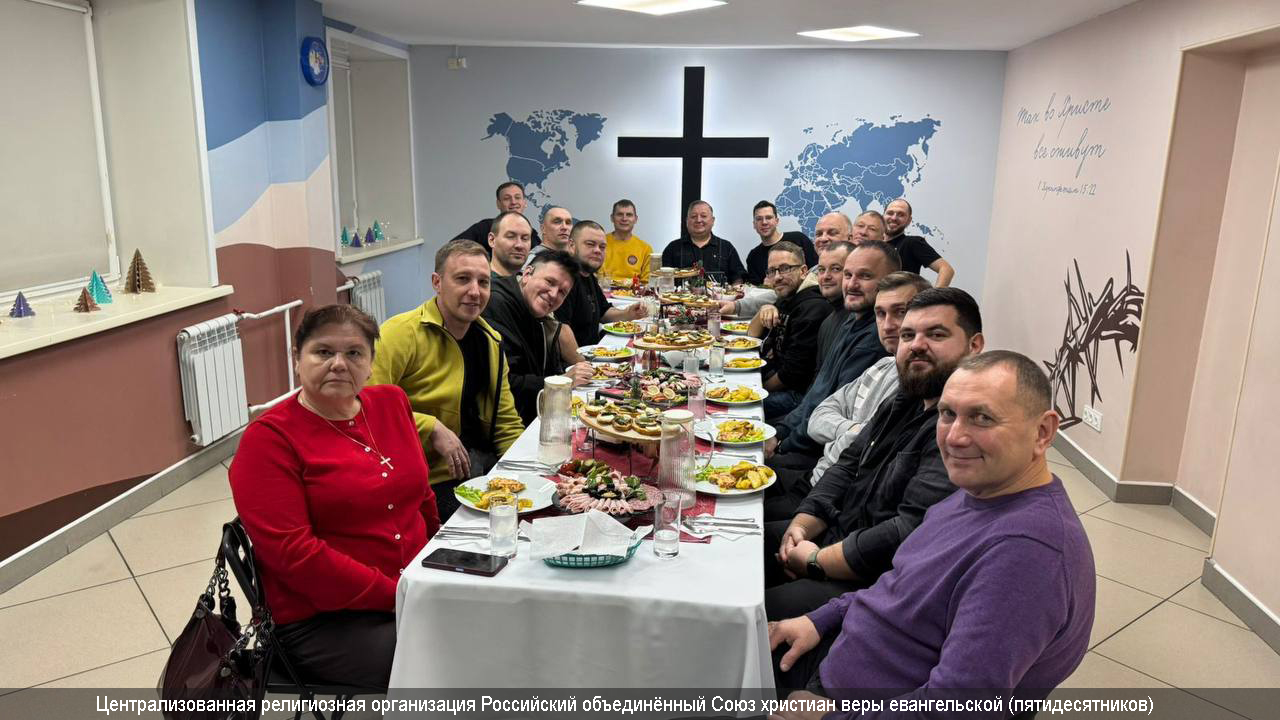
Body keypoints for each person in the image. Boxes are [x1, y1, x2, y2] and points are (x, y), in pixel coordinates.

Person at [769, 351, 1095, 711]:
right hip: (840, 651)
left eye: (982, 418)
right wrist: (819, 619)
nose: (954, 437)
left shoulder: (1027, 552)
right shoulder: (973, 494)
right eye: (947, 414)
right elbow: (898, 585)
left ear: (1043, 432)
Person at [229, 304, 439, 690]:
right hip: (323, 619)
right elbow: (295, 556)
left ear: (371, 363)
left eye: (354, 353)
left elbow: (421, 496)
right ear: (297, 359)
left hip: (414, 586)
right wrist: (398, 594)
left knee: (494, 623)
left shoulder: (391, 402)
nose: (339, 364)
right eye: (323, 352)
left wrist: (442, 560)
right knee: (454, 656)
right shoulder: (269, 440)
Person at [764, 287, 985, 621]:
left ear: (974, 346)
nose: (916, 344)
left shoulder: (960, 428)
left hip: (876, 582)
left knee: (750, 614)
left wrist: (816, 560)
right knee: (738, 546)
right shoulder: (905, 398)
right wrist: (802, 524)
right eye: (909, 335)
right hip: (838, 534)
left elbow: (906, 531)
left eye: (936, 334)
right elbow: (847, 463)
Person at [370, 240, 525, 520]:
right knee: (489, 530)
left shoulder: (491, 341)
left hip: (477, 466)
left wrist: (523, 473)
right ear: (437, 282)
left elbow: (505, 420)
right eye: (463, 279)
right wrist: (430, 427)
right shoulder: (400, 334)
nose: (475, 291)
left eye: (483, 282)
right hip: (424, 477)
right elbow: (366, 408)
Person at [765, 272, 930, 521]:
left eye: (901, 312)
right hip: (818, 476)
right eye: (881, 313)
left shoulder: (918, 386)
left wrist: (853, 433)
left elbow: (866, 455)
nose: (888, 325)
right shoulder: (883, 365)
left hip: (831, 499)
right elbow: (819, 415)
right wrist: (854, 429)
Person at [766, 242, 901, 473]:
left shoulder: (874, 340)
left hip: (825, 458)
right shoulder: (850, 320)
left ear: (890, 281)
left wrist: (782, 444)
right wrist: (781, 432)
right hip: (805, 438)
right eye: (848, 274)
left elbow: (831, 416)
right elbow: (817, 393)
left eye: (865, 276)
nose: (852, 284)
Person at [483, 249, 593, 424]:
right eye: (549, 282)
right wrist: (561, 381)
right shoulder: (495, 305)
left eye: (562, 292)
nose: (553, 294)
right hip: (503, 424)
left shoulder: (540, 315)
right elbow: (507, 384)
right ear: (527, 274)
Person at [753, 241, 833, 422]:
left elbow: (790, 376)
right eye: (771, 271)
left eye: (785, 269)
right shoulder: (788, 296)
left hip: (797, 395)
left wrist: (755, 389)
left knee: (733, 408)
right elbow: (752, 335)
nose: (777, 277)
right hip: (780, 378)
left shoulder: (812, 308)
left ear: (803, 271)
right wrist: (765, 308)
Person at [728, 211, 851, 321]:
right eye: (818, 234)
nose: (823, 238)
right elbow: (781, 295)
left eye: (832, 233)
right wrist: (769, 307)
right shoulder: (813, 271)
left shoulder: (853, 277)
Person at [556, 220, 647, 347]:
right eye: (590, 244)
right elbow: (560, 331)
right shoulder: (563, 279)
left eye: (602, 247)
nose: (597, 250)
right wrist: (580, 358)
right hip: (577, 357)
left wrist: (628, 313)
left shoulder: (588, 276)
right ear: (571, 245)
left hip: (594, 351)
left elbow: (603, 313)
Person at [661, 200, 747, 283]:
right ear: (687, 221)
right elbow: (663, 278)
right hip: (680, 293)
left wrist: (735, 288)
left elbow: (739, 277)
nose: (698, 220)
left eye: (703, 216)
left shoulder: (726, 247)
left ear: (713, 221)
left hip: (720, 293)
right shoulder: (673, 248)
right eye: (693, 216)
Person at [883, 198, 954, 285]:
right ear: (883, 216)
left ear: (909, 220)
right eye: (890, 213)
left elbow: (946, 269)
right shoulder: (873, 245)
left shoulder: (912, 243)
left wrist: (935, 294)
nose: (894, 218)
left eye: (901, 215)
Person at [746, 200, 817, 285]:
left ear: (777, 221)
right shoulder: (753, 257)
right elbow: (755, 288)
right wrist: (765, 287)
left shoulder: (799, 239)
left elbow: (816, 269)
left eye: (768, 218)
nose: (764, 222)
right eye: (759, 219)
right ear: (754, 224)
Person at [454, 181, 541, 249]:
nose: (513, 202)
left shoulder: (532, 235)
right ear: (498, 204)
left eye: (517, 197)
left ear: (524, 202)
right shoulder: (484, 228)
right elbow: (453, 247)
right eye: (507, 198)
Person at [813, 242, 855, 363]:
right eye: (821, 270)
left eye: (836, 269)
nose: (825, 276)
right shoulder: (826, 323)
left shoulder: (860, 321)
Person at [601, 199, 652, 284]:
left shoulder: (645, 249)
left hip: (634, 292)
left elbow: (647, 283)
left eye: (629, 215)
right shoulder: (600, 244)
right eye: (620, 214)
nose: (624, 219)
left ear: (635, 219)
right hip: (603, 290)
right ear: (612, 218)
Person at [488, 211, 533, 277]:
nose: (519, 245)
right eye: (510, 237)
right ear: (492, 240)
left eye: (525, 238)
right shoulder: (481, 282)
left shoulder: (525, 281)